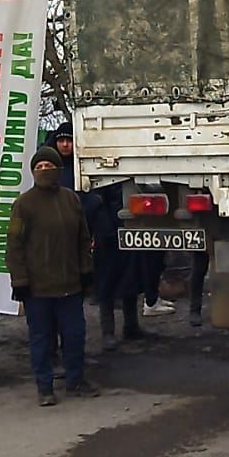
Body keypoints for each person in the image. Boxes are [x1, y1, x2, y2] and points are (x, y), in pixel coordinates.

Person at [7, 147, 100, 405]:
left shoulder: (71, 200)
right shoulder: (23, 204)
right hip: (38, 289)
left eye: (50, 166)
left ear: (59, 169)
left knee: (74, 335)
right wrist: (20, 281)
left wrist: (86, 271)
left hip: (70, 285)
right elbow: (14, 244)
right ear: (33, 171)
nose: (45, 170)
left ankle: (76, 381)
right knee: (41, 339)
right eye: (40, 167)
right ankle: (44, 388)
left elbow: (83, 238)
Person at [53, 123, 149, 351]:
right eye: (61, 140)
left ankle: (131, 325)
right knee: (104, 283)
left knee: (130, 277)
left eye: (69, 140)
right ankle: (107, 331)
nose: (65, 145)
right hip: (94, 232)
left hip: (117, 226)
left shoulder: (90, 163)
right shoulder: (61, 171)